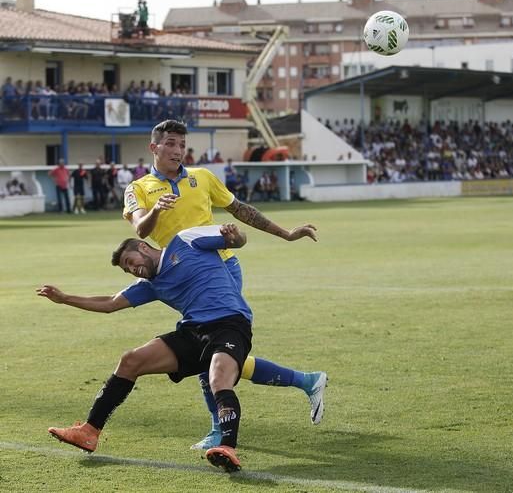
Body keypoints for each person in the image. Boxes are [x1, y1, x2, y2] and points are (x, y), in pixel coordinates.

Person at [122, 119, 326, 450]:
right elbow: (140, 231)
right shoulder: (139, 188)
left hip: (221, 269)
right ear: (154, 147)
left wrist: (286, 233)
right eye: (171, 143)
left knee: (209, 351)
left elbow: (240, 210)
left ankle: (219, 429)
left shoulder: (201, 177)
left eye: (182, 144)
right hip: (179, 279)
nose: (177, 150)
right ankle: (305, 380)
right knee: (216, 353)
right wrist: (156, 210)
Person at [39, 224, 253, 472]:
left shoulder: (185, 241)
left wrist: (235, 237)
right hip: (193, 332)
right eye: (126, 269)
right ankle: (89, 431)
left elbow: (237, 241)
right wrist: (65, 298)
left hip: (230, 324)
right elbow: (110, 303)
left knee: (218, 380)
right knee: (130, 360)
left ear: (143, 247)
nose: (131, 269)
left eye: (130, 261)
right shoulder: (149, 284)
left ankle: (227, 447)